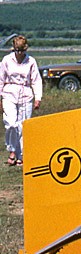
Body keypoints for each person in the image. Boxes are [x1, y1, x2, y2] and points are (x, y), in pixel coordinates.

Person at [0, 35, 42, 166]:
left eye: (21, 50)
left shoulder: (31, 61)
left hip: (26, 94)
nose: (19, 53)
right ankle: (12, 150)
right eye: (17, 50)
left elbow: (36, 80)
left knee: (23, 125)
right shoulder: (6, 60)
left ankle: (21, 154)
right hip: (9, 92)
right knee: (11, 123)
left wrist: (38, 98)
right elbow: (1, 79)